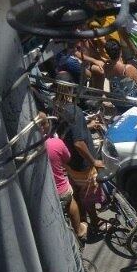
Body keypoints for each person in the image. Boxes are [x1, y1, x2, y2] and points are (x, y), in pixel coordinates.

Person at [54, 74, 106, 231]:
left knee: (78, 191)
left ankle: (83, 219)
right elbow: (78, 143)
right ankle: (95, 222)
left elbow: (66, 131)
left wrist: (86, 126)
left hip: (70, 162)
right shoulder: (74, 111)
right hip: (82, 164)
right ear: (71, 88)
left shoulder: (55, 106)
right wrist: (93, 161)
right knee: (89, 194)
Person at [40, 111, 87, 240]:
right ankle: (79, 230)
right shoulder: (55, 143)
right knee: (70, 201)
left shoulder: (25, 150)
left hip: (42, 196)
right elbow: (67, 158)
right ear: (44, 126)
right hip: (60, 191)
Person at [103, 40, 137, 113]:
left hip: (117, 103)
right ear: (120, 51)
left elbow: (108, 77)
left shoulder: (106, 66)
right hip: (132, 103)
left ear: (107, 53)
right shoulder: (127, 68)